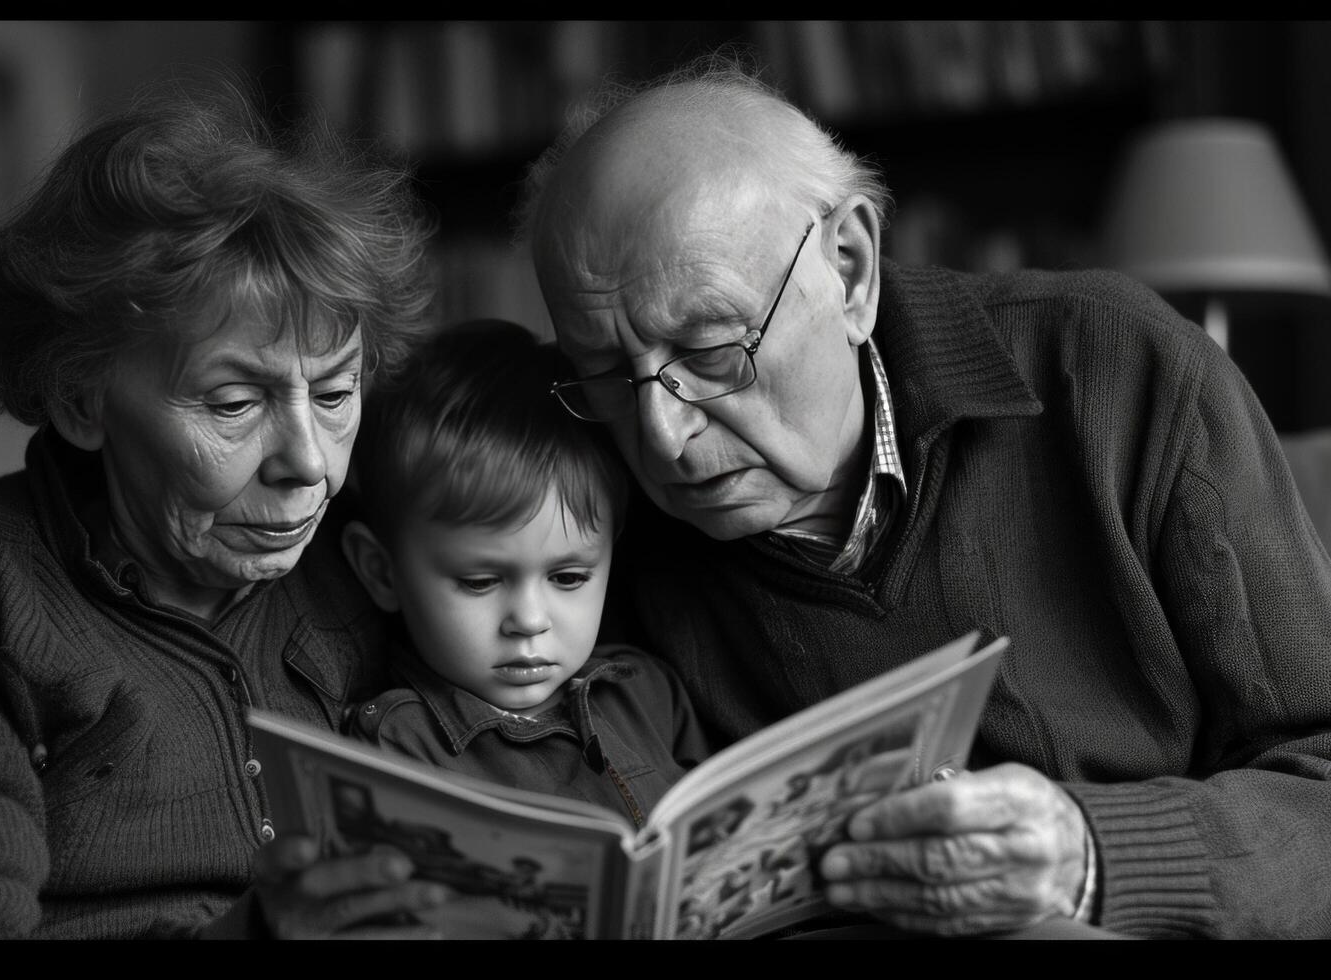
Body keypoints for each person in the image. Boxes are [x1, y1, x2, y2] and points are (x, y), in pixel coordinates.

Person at [513, 52, 1331, 939]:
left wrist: (1088, 855)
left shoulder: (1124, 373)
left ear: (851, 269)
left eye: (713, 352)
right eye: (602, 371)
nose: (662, 439)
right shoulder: (577, 493)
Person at [0, 73, 456, 939]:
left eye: (333, 393)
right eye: (234, 404)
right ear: (80, 401)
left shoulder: (366, 559)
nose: (309, 466)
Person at [338, 319, 710, 826]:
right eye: (480, 582)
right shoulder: (396, 748)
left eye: (569, 578)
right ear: (382, 573)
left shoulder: (645, 693)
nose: (530, 621)